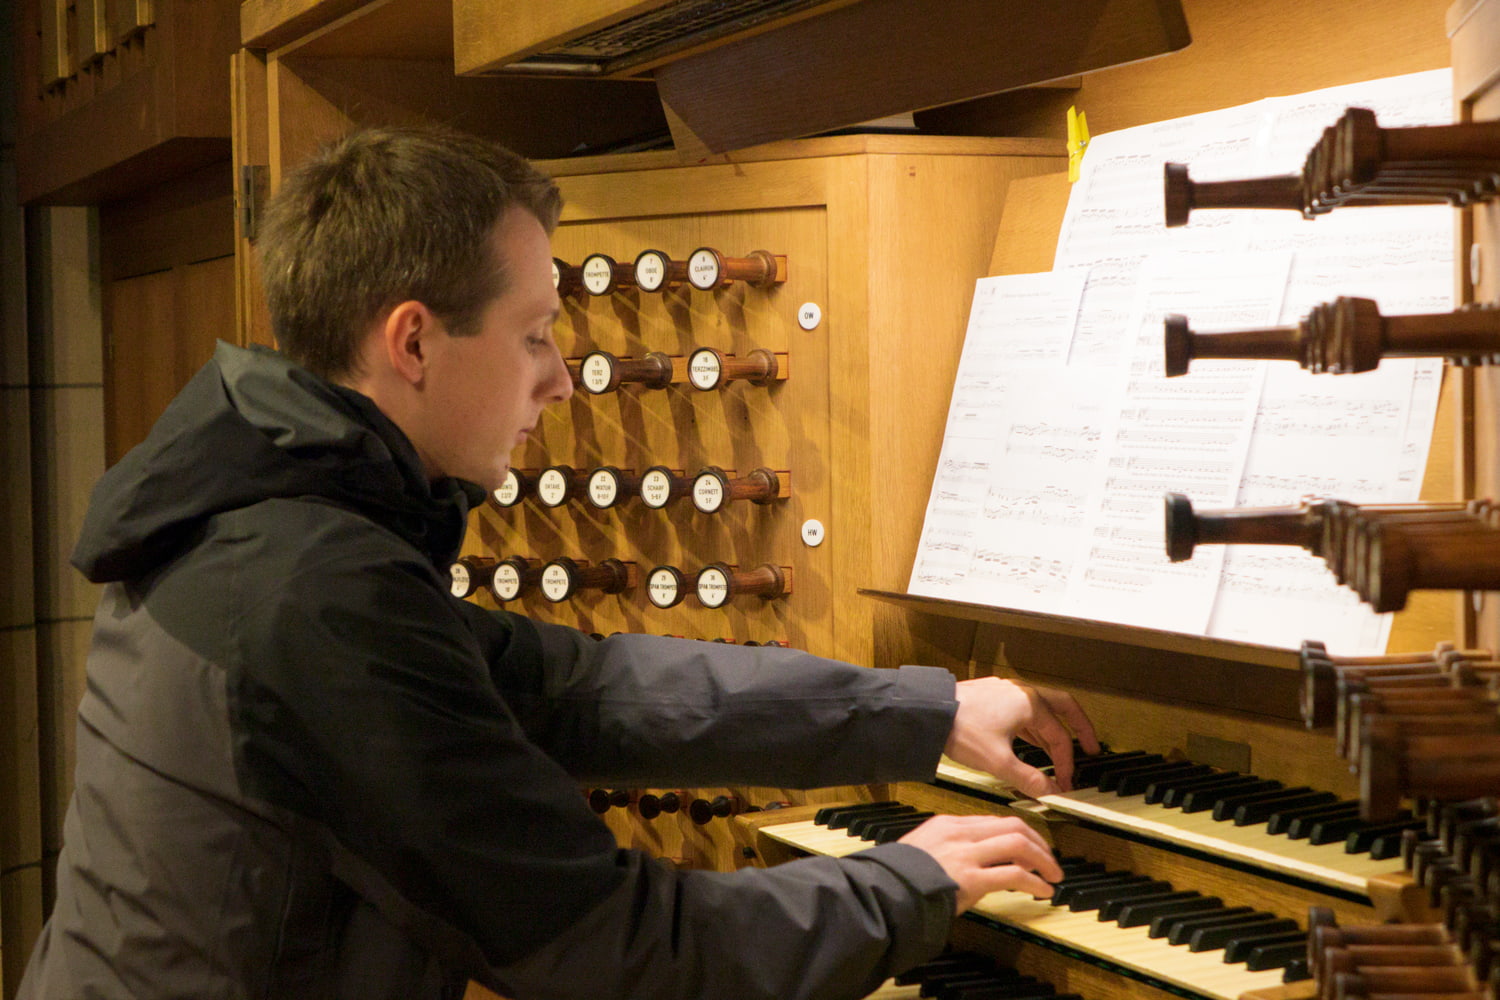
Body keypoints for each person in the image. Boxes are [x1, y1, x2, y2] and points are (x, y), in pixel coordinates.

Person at [18, 125, 1098, 1000]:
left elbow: (586, 688)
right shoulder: (309, 592)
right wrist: (905, 884)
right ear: (413, 342)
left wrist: (925, 709)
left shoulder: (288, 514)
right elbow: (607, 943)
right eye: (535, 333)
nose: (565, 381)